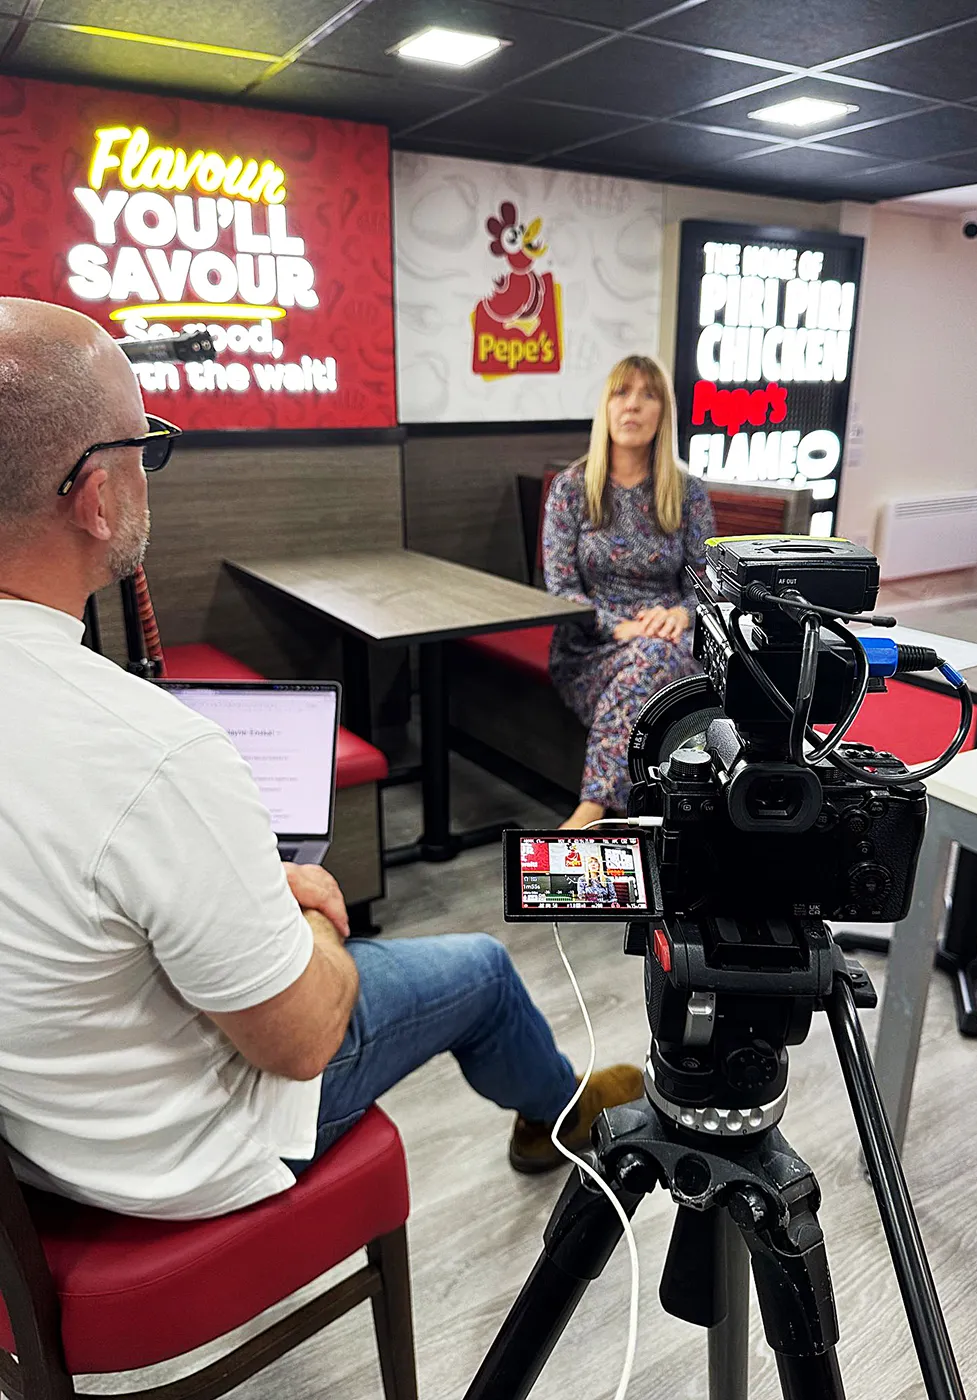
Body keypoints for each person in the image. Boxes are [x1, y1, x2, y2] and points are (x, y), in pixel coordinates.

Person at [0, 298, 644, 1218]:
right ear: (97, 500)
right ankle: (560, 1114)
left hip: (39, 1134)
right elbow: (300, 1041)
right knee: (486, 969)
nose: (153, 469)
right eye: (148, 446)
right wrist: (310, 918)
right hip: (181, 1152)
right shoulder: (159, 754)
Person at [543, 354, 716, 829]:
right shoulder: (572, 488)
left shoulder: (688, 493)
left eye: (648, 395)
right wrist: (618, 627)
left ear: (663, 413)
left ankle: (596, 810)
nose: (633, 406)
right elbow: (560, 589)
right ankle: (629, 814)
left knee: (658, 657)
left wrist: (681, 615)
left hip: (671, 639)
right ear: (606, 406)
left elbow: (705, 588)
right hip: (590, 644)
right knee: (654, 662)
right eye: (622, 393)